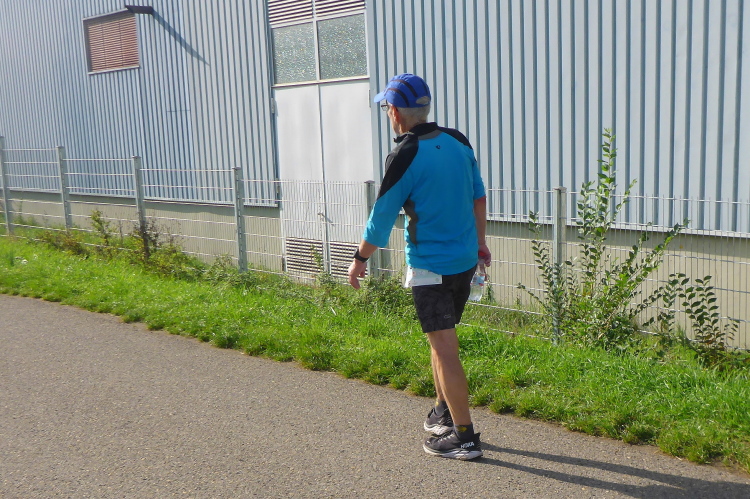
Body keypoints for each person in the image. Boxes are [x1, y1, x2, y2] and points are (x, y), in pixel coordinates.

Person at [347, 73, 491, 460]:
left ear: (395, 112)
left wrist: (360, 260)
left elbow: (381, 218)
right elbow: (478, 197)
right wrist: (480, 244)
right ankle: (444, 411)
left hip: (430, 266)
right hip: (465, 261)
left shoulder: (405, 154)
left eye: (386, 108)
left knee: (445, 349)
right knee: (439, 341)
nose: (387, 114)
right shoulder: (458, 141)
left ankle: (464, 438)